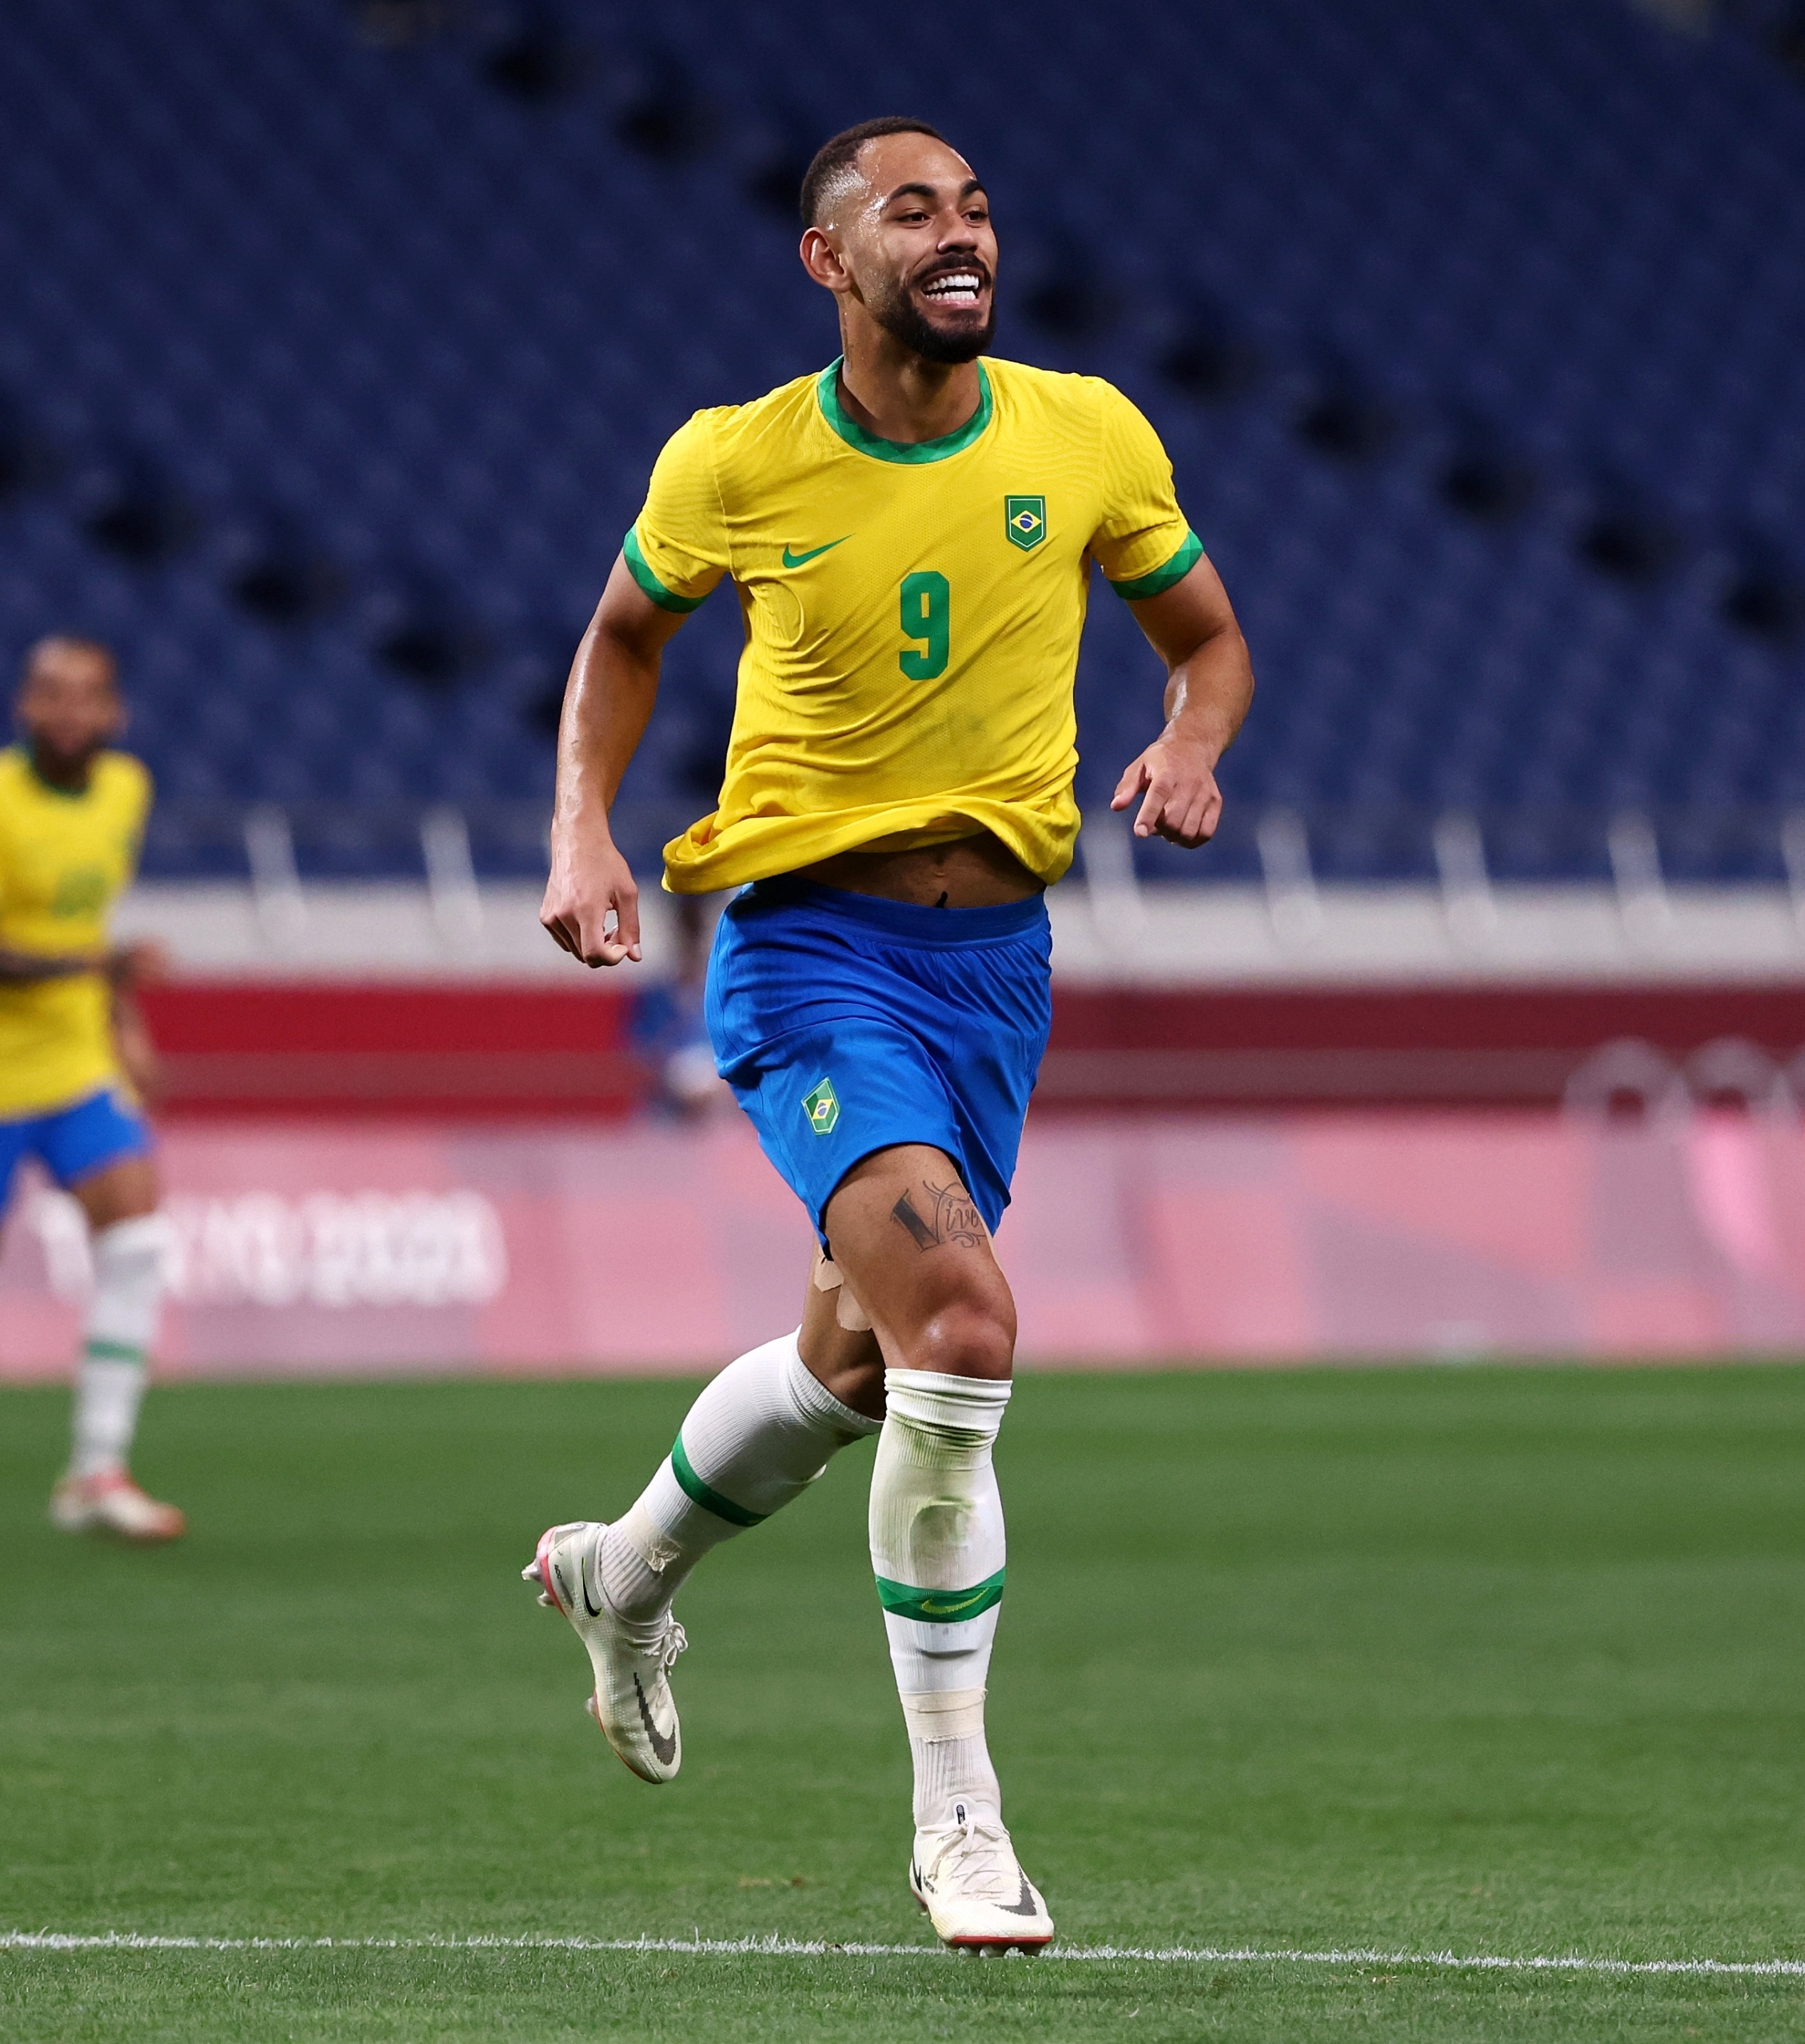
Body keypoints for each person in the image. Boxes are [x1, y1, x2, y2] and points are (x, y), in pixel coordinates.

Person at [525, 117, 1255, 1950]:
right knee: (968, 1326)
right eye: (912, 209)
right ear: (827, 260)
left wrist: (1189, 740)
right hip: (808, 949)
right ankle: (960, 1820)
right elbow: (625, 638)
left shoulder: (1085, 432)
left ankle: (624, 1573)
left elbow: (1210, 638)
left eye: (980, 207)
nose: (962, 233)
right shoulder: (738, 459)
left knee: (860, 1374)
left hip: (996, 966)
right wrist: (582, 829)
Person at [0, 636, 187, 1556]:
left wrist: (125, 1027)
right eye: (50, 694)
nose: (68, 711)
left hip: (71, 1071)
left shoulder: (124, 791)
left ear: (113, 713)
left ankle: (96, 1471)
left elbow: (86, 926)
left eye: (86, 696)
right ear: (25, 707)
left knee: (138, 1243)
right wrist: (99, 967)